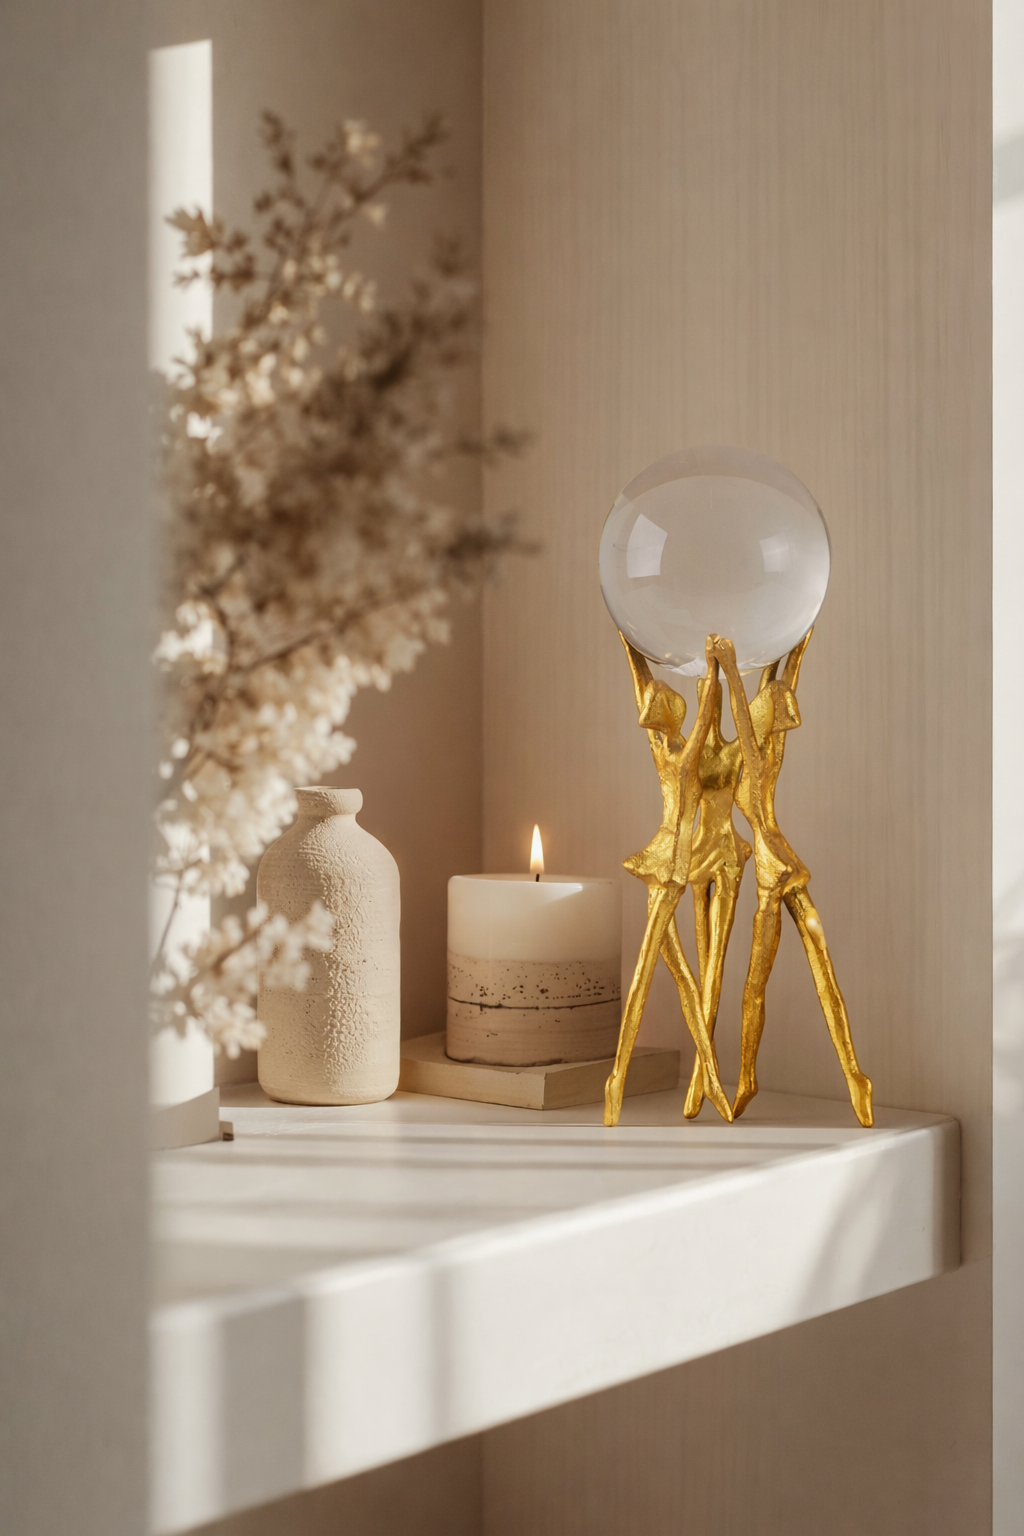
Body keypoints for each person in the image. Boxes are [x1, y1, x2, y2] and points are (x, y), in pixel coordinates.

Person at [710, 630, 873, 1125]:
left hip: (775, 868)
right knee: (768, 981)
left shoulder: (766, 754)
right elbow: (746, 710)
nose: (792, 718)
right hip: (773, 870)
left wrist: (793, 643)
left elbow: (772, 694)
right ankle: (771, 1075)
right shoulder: (754, 762)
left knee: (797, 975)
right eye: (785, 713)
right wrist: (733, 670)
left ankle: (852, 1076)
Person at [604, 633, 733, 1127]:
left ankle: (711, 1080)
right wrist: (716, 673)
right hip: (670, 866)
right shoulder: (678, 750)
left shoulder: (666, 744)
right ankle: (619, 1079)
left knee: (681, 980)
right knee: (645, 976)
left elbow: (646, 688)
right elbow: (703, 720)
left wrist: (630, 645)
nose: (646, 707)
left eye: (652, 704)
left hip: (675, 864)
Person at [676, 669, 751, 1119]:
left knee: (716, 965)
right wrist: (630, 648)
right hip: (698, 859)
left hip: (727, 856)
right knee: (703, 966)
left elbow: (749, 719)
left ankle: (702, 1081)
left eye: (713, 693)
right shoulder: (686, 750)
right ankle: (705, 1076)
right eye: (706, 694)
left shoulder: (736, 747)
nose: (711, 701)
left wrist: (789, 658)